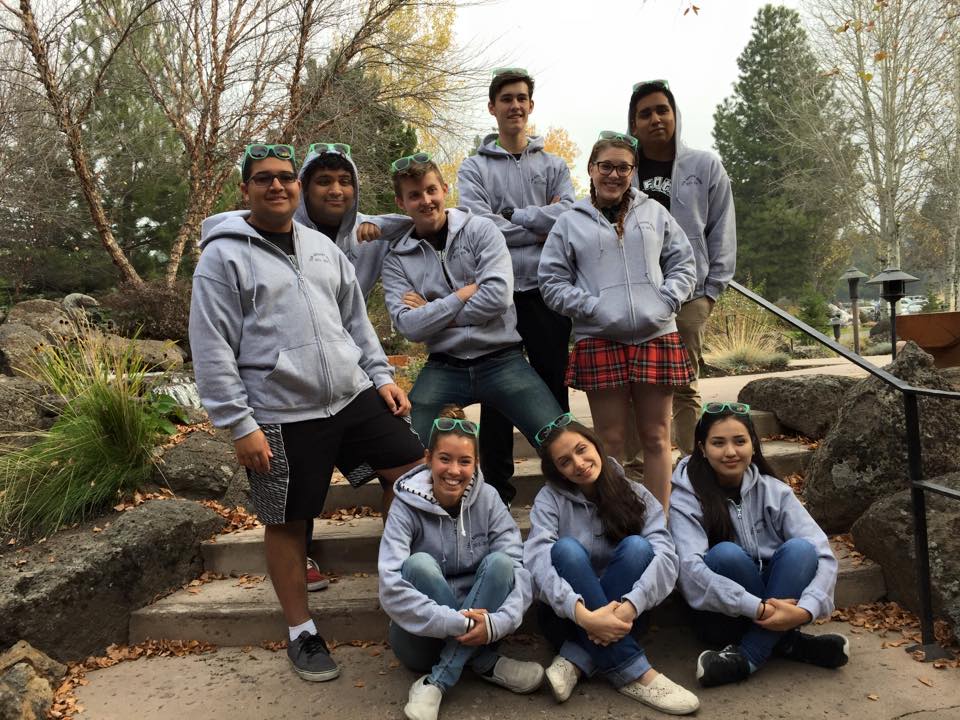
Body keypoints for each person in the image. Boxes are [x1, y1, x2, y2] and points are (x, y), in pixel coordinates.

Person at [189, 143, 424, 683]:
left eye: (285, 177)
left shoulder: (322, 247)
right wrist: (239, 424)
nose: (277, 185)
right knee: (288, 522)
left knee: (413, 474)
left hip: (351, 393)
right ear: (245, 189)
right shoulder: (222, 257)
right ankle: (301, 631)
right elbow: (211, 345)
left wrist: (382, 377)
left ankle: (399, 581)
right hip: (280, 409)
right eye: (263, 178)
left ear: (296, 187)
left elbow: (355, 321)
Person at [538, 131, 697, 514]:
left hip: (656, 335)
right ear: (591, 169)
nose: (614, 174)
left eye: (623, 168)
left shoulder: (654, 213)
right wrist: (593, 308)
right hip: (600, 338)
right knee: (609, 441)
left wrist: (666, 300)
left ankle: (658, 524)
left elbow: (683, 263)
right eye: (606, 166)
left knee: (657, 436)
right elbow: (551, 281)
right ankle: (617, 519)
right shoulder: (570, 221)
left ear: (633, 171)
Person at [381, 152, 562, 473]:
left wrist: (434, 312)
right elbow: (409, 326)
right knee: (405, 454)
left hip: (503, 360)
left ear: (445, 189)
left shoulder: (480, 230)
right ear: (401, 202)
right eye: (415, 195)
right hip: (444, 366)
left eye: (431, 190)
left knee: (562, 441)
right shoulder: (398, 259)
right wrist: (461, 296)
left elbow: (497, 297)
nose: (426, 200)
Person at [292, 141, 414, 590]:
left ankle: (401, 552)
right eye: (324, 181)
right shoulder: (280, 234)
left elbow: (422, 218)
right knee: (302, 477)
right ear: (303, 188)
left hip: (353, 368)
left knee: (405, 461)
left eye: (345, 181)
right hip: (297, 378)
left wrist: (375, 225)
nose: (336, 190)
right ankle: (296, 554)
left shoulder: (367, 236)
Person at [523, 415, 700, 715]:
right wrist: (584, 616)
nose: (579, 464)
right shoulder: (549, 500)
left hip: (627, 616)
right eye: (565, 462)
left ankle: (575, 658)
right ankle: (637, 673)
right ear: (557, 471)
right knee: (565, 550)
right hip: (568, 619)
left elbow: (666, 556)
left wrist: (631, 605)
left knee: (638, 547)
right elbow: (536, 560)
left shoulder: (635, 493)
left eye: (581, 450)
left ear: (596, 445)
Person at [457, 67, 576, 505]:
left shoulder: (554, 165)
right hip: (497, 292)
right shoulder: (473, 168)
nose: (515, 106)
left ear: (531, 105)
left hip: (547, 291)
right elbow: (478, 227)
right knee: (497, 392)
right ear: (492, 107)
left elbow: (569, 218)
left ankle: (563, 482)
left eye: (522, 98)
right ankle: (497, 491)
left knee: (552, 387)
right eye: (506, 99)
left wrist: (513, 216)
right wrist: (540, 223)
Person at [378, 406, 543, 720]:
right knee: (419, 565)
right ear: (428, 459)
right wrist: (460, 624)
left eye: (464, 461)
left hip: (483, 630)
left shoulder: (489, 499)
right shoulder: (405, 504)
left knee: (502, 563)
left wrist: (497, 624)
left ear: (475, 464)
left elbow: (520, 570)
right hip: (420, 640)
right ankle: (485, 663)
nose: (454, 470)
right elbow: (390, 583)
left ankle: (437, 682)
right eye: (445, 458)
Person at [669, 402, 849, 687]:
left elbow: (823, 553)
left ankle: (749, 656)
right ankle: (787, 642)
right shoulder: (686, 497)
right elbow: (689, 569)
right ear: (702, 448)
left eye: (740, 441)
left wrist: (806, 609)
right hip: (720, 615)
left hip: (776, 600)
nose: (730, 451)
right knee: (725, 554)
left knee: (801, 550)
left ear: (753, 444)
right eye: (718, 443)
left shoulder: (774, 490)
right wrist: (758, 609)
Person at [627, 80, 737, 457]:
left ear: (675, 115)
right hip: (636, 295)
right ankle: (640, 473)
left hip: (691, 294)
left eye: (663, 110)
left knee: (684, 385)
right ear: (634, 124)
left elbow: (722, 228)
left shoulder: (704, 166)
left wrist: (712, 291)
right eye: (645, 113)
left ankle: (694, 467)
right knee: (637, 385)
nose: (656, 119)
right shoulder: (624, 169)